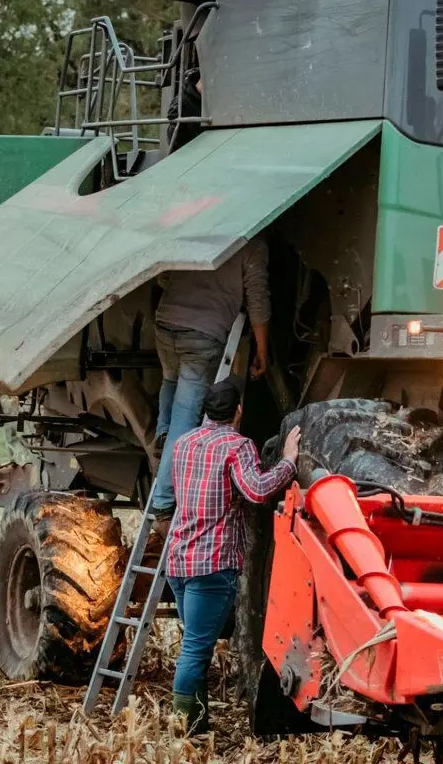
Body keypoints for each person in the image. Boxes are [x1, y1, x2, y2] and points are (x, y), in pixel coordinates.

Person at [165, 378, 302, 735]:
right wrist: (288, 461)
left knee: (196, 644)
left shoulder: (183, 443)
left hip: (179, 561)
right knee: (195, 650)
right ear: (238, 410)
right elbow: (257, 491)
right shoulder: (236, 446)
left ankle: (198, 725)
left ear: (207, 409)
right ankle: (185, 733)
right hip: (212, 565)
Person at [149, 235, 273, 523]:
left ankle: (163, 439)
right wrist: (263, 351)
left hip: (166, 323)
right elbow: (258, 300)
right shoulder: (253, 244)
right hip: (203, 334)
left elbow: (164, 275)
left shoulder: (205, 224)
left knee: (170, 384)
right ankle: (164, 500)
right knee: (186, 416)